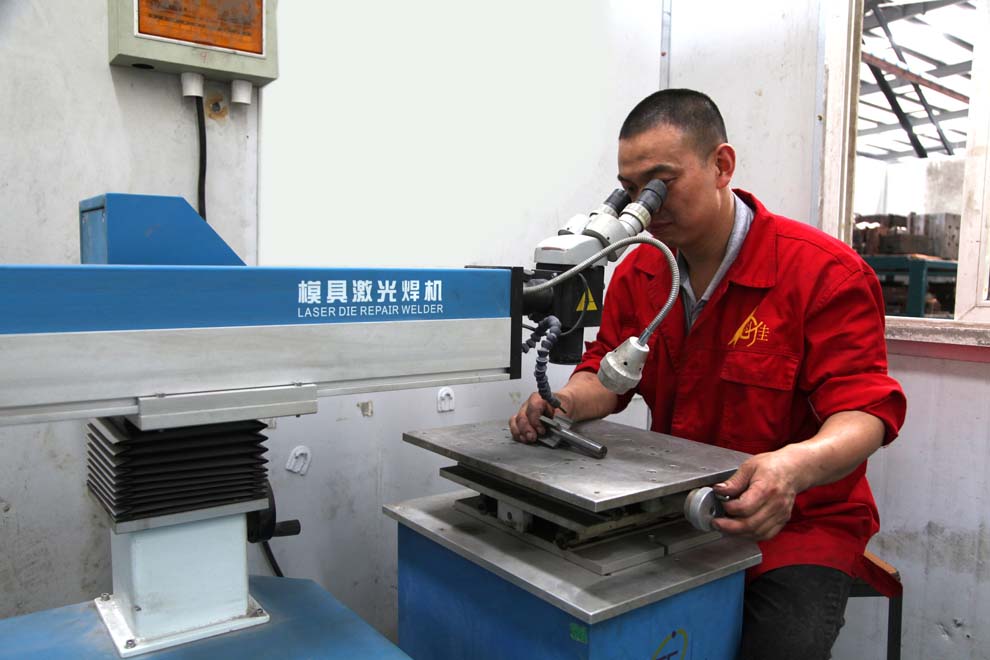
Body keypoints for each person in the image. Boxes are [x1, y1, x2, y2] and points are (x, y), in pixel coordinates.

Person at [509, 89, 906, 660]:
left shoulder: (824, 273)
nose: (647, 205)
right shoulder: (641, 272)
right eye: (632, 189)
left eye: (661, 182)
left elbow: (864, 412)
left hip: (796, 524)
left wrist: (790, 468)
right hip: (678, 510)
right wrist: (564, 402)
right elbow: (607, 375)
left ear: (722, 166)